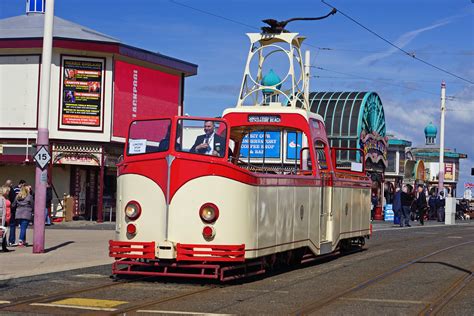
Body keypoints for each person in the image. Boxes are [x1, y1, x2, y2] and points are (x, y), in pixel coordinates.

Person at [1, 186, 12, 252]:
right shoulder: (1, 198)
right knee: (2, 233)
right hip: (3, 218)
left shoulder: (5, 198)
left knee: (4, 232)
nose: (8, 192)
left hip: (6, 217)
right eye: (7, 191)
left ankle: (4, 246)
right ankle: (3, 246)